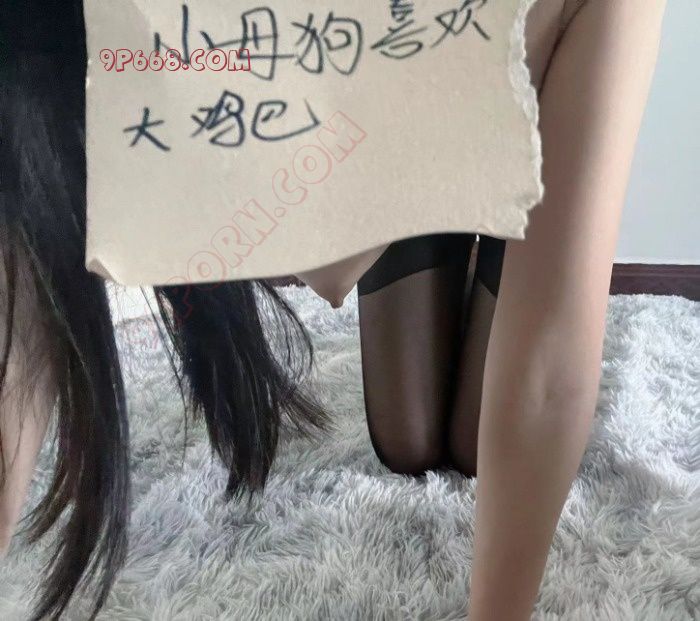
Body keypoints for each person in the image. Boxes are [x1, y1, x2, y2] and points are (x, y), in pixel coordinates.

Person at [0, 0, 667, 619]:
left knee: (480, 444)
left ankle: (485, 195)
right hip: (389, 120)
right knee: (409, 441)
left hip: (517, 108)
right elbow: (25, 298)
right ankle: (426, 205)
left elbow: (550, 369)